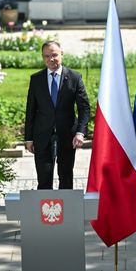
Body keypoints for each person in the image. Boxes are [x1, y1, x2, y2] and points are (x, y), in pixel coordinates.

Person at [25, 40, 90, 189]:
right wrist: (28, 138)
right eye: (46, 56)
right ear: (43, 58)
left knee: (66, 177)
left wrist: (80, 132)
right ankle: (45, 212)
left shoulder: (74, 77)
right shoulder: (36, 79)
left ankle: (67, 212)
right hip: (42, 135)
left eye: (54, 55)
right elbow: (30, 110)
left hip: (67, 135)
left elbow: (84, 108)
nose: (51, 59)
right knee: (44, 178)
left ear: (62, 54)